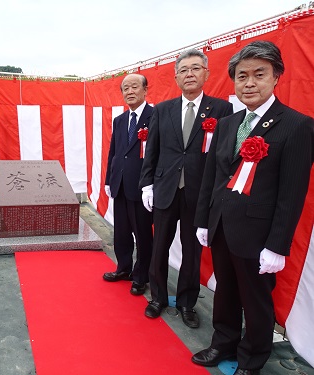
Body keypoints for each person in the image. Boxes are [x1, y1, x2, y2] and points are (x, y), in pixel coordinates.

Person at [191, 41, 313, 375]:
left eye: (259, 74)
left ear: (277, 77)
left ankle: (253, 357)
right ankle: (223, 342)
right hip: (221, 227)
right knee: (224, 291)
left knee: (256, 302)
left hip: (258, 234)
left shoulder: (297, 125)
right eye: (242, 76)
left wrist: (277, 245)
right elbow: (212, 178)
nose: (249, 83)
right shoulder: (229, 123)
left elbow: (292, 193)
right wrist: (204, 220)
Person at [138, 49, 233, 327]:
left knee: (193, 252)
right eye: (184, 70)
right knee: (159, 248)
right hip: (165, 190)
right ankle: (157, 297)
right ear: (176, 76)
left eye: (195, 68)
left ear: (206, 73)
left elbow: (222, 157)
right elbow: (151, 151)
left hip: (199, 194)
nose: (189, 74)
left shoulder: (222, 110)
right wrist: (147, 185)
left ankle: (187, 303)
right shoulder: (162, 109)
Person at [103, 73, 153, 296]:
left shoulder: (156, 116)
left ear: (145, 90)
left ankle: (142, 275)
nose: (130, 91)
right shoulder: (120, 120)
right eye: (125, 88)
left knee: (142, 234)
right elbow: (114, 152)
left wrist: (152, 185)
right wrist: (108, 180)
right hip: (120, 184)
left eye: (134, 87)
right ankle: (123, 268)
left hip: (142, 188)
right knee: (121, 232)